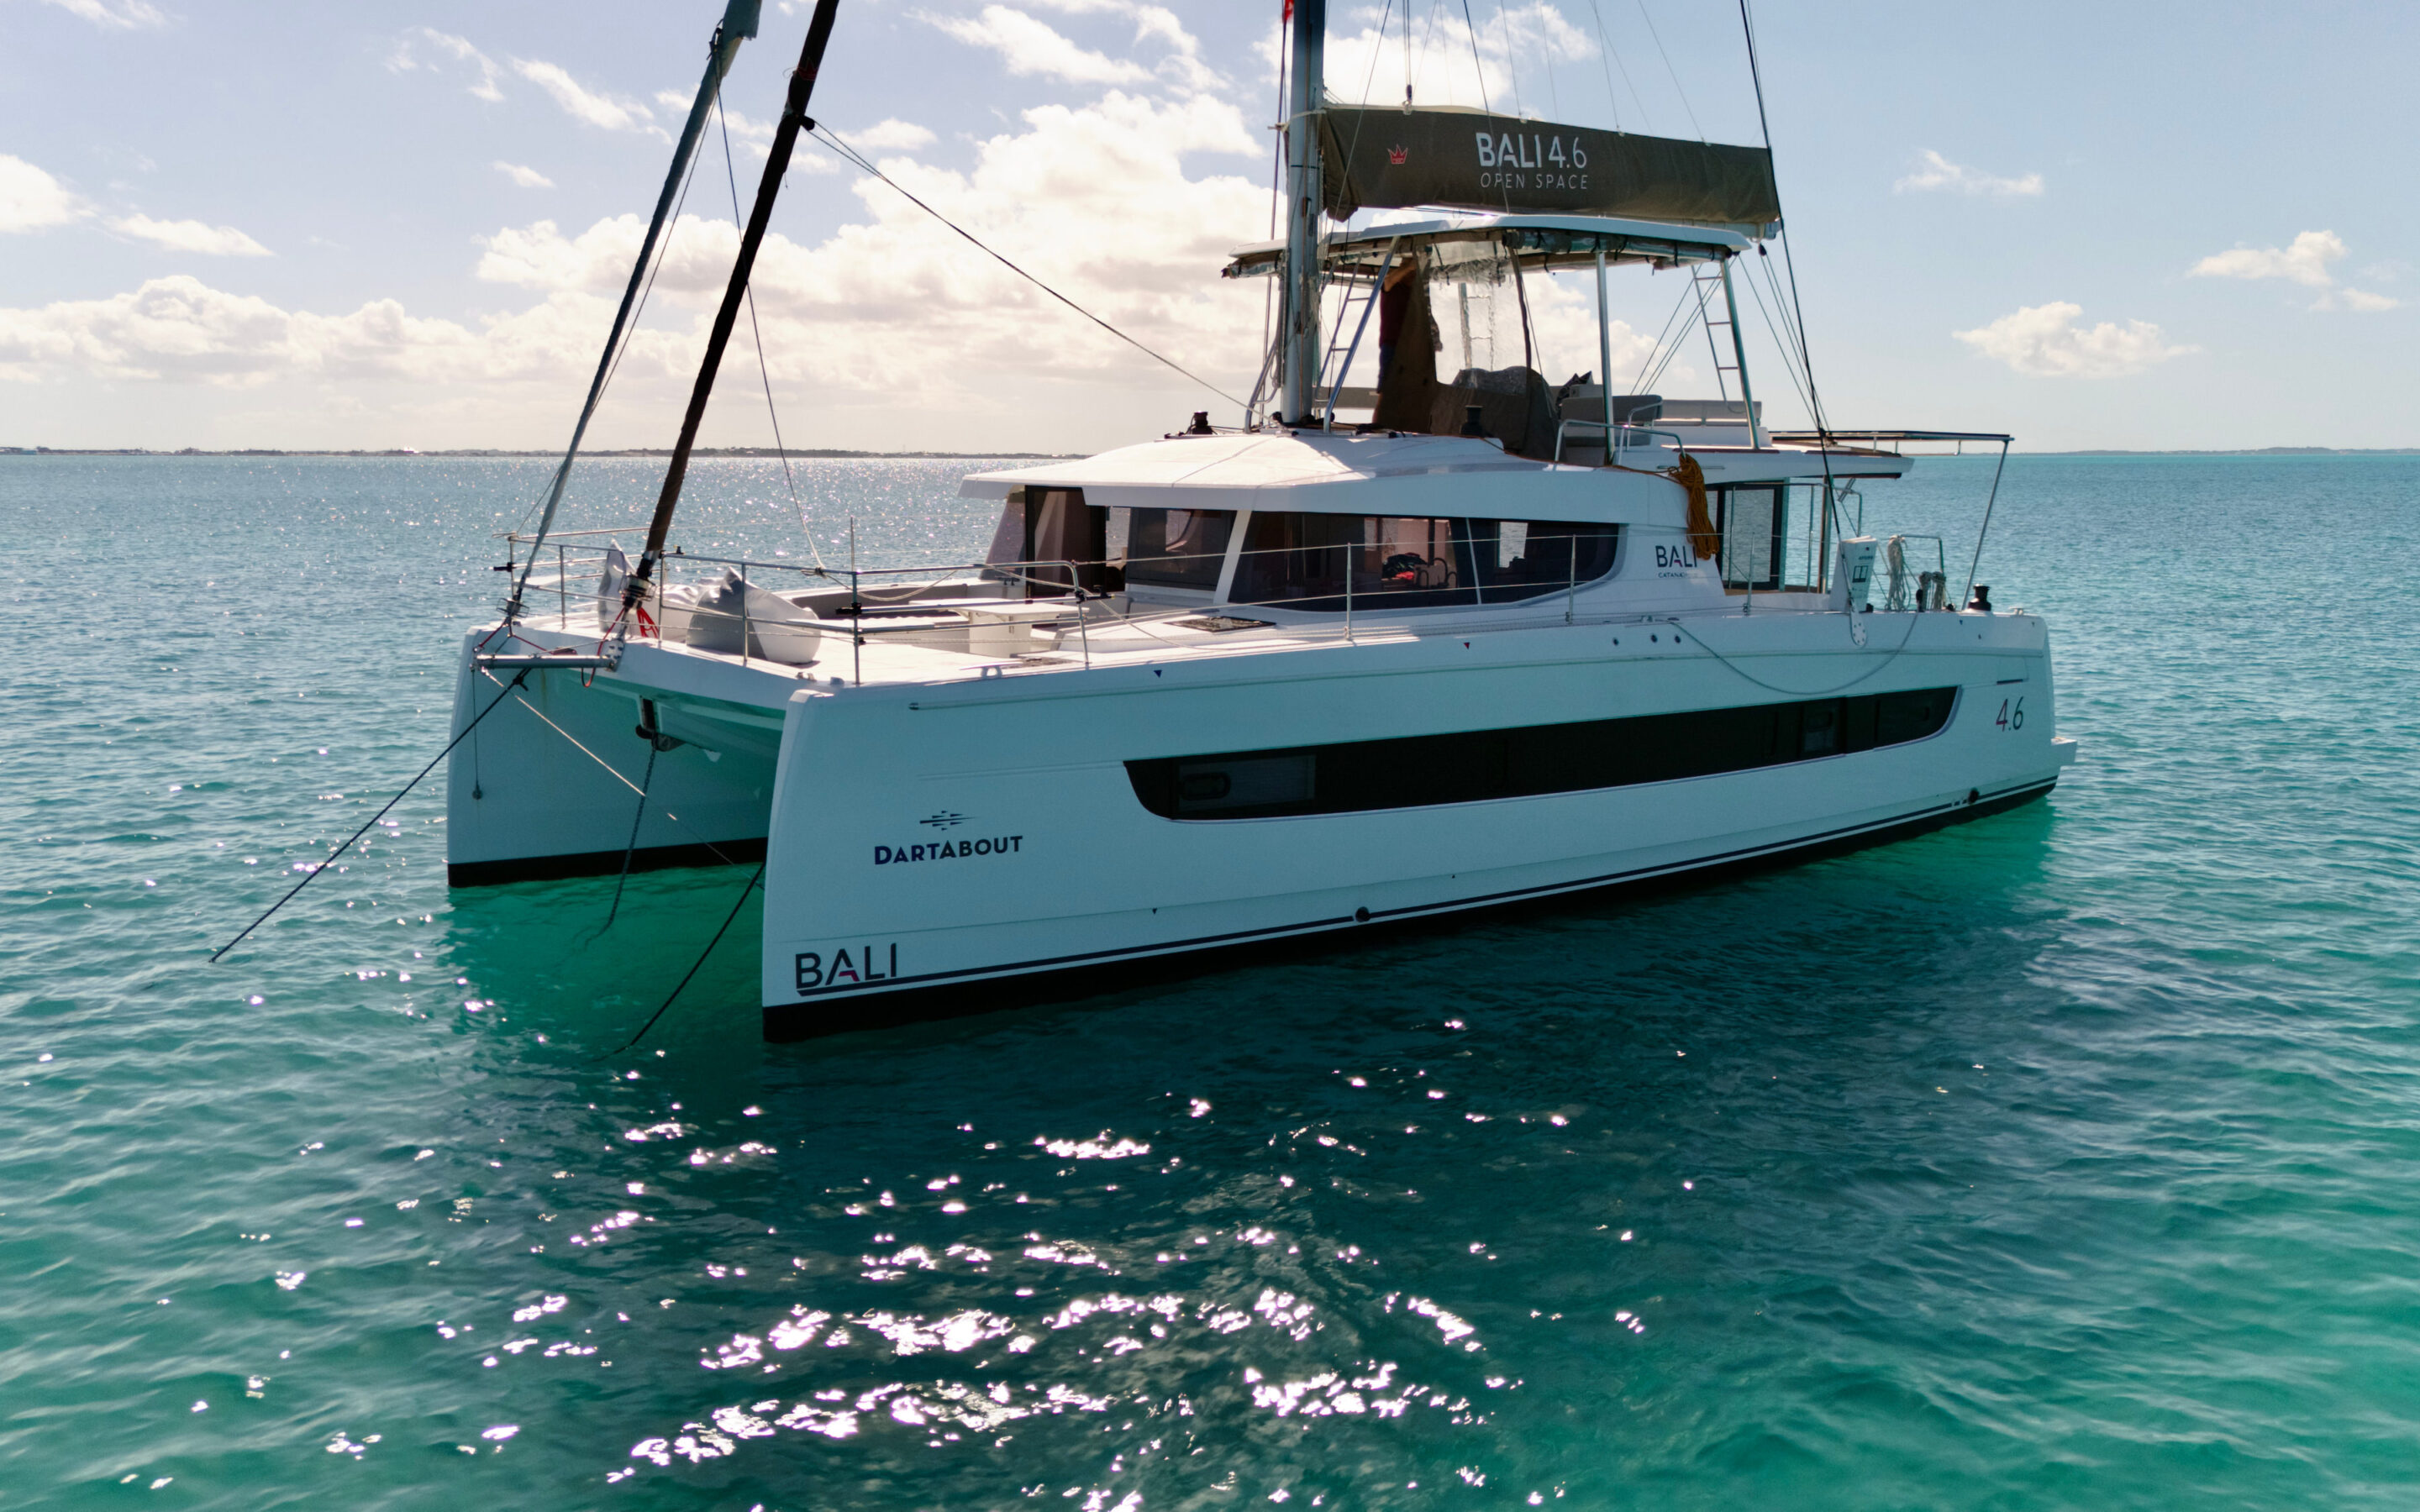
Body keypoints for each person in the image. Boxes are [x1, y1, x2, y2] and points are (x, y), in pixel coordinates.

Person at [1373, 260, 1417, 402]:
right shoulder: (1392, 288)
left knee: (1407, 390)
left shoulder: (1414, 296)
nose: (1413, 276)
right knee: (1386, 388)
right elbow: (1388, 280)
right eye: (1410, 273)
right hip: (1391, 346)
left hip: (1409, 350)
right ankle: (1379, 422)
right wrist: (1409, 266)